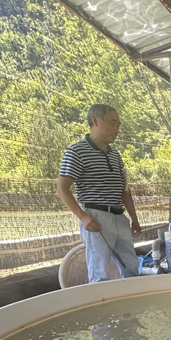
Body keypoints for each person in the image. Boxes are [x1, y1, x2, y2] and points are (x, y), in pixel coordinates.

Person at [57, 104, 142, 283]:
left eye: (118, 125)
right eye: (112, 123)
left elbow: (124, 190)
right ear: (95, 120)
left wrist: (134, 218)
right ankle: (101, 300)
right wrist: (83, 217)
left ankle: (132, 300)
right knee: (99, 272)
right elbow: (62, 189)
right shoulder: (76, 151)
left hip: (119, 216)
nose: (117, 129)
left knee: (131, 267)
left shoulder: (115, 155)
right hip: (97, 217)